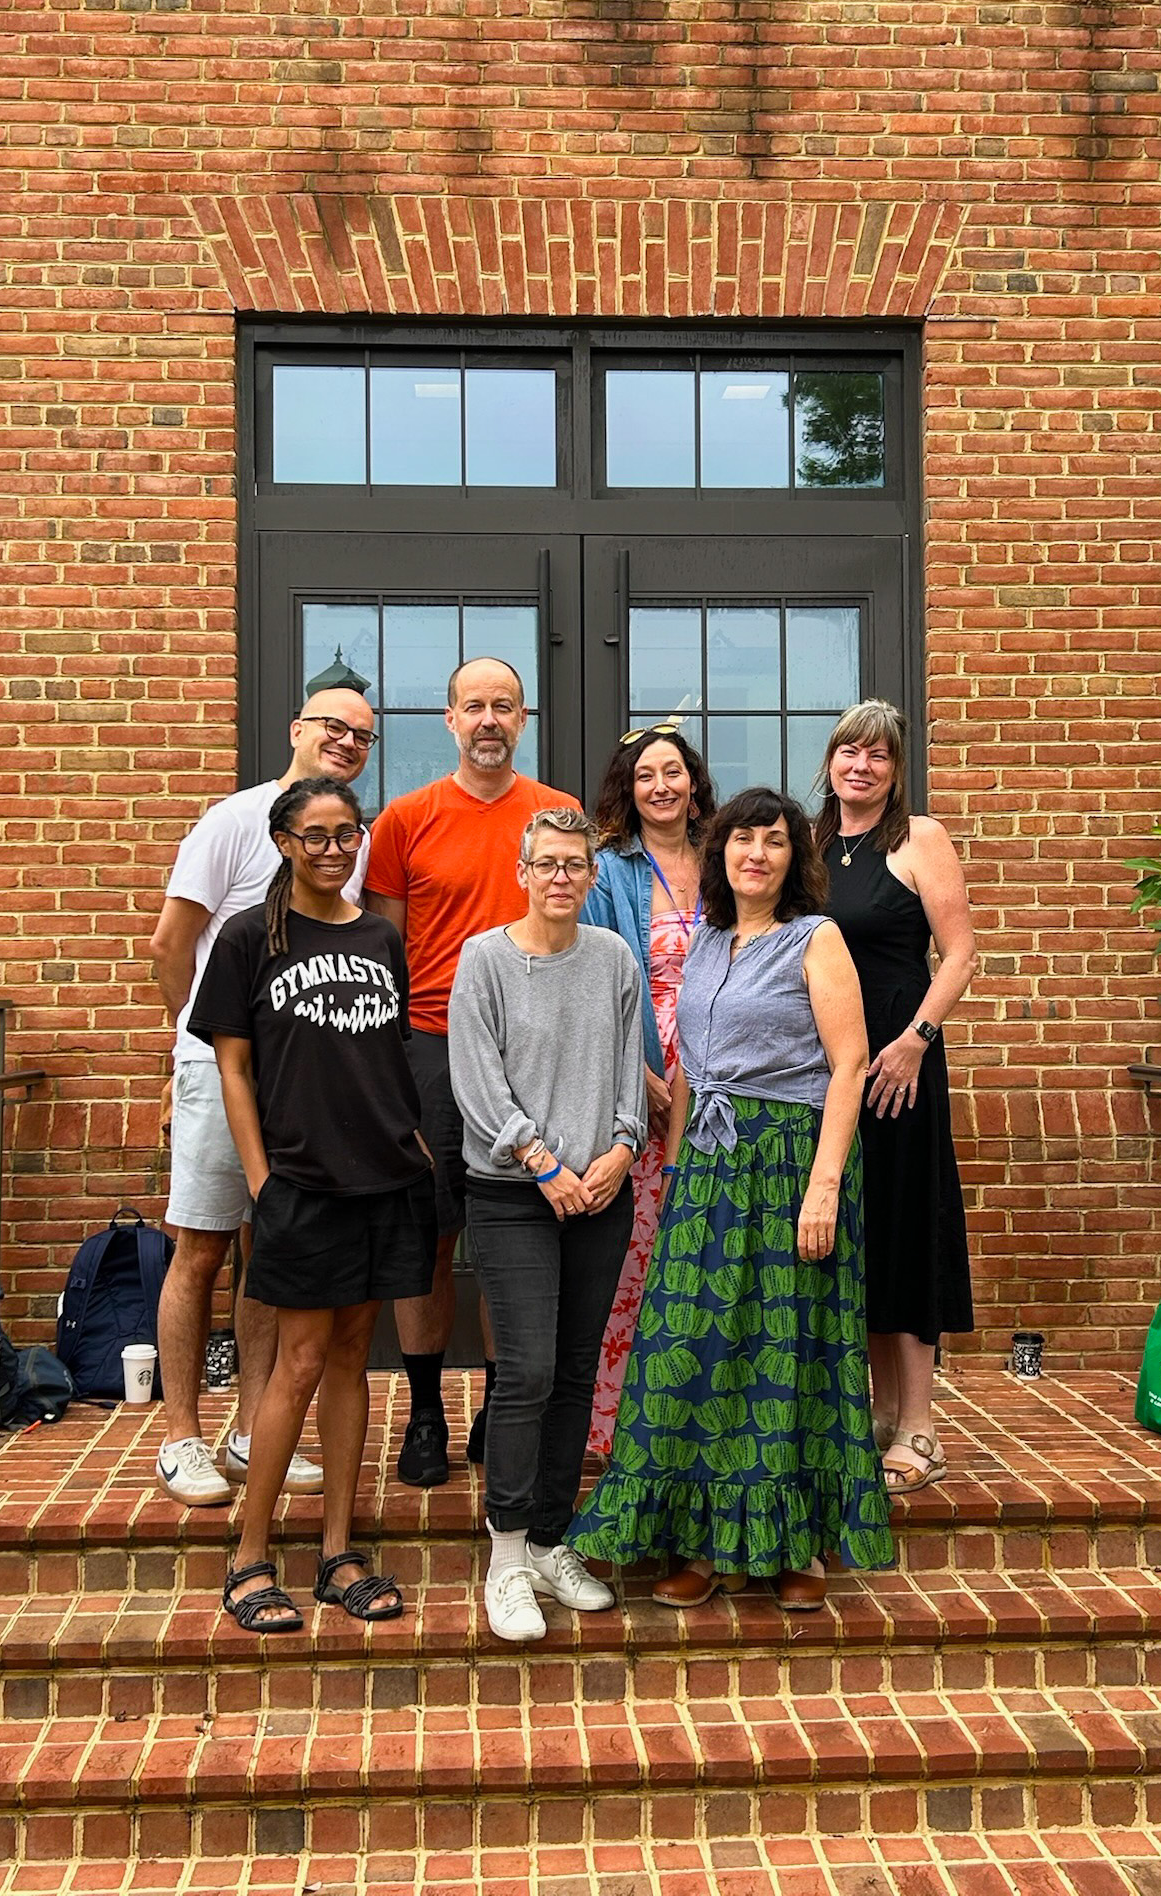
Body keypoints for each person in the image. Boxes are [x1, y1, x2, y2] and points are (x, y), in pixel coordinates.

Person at [567, 788, 893, 1610]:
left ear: (793, 858)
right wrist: (675, 1171)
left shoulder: (815, 938)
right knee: (698, 1346)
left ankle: (794, 1548)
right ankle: (705, 1542)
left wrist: (824, 1188)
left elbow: (849, 1065)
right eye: (742, 839)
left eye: (774, 841)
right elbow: (689, 1065)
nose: (756, 853)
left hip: (789, 1163)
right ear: (721, 853)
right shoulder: (708, 940)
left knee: (788, 1349)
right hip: (709, 1170)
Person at [189, 775, 433, 1632]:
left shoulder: (379, 936)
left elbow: (383, 1055)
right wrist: (262, 1181)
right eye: (317, 835)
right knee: (296, 1362)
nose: (334, 849)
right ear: (285, 842)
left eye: (347, 833)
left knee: (352, 1359)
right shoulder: (248, 937)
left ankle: (337, 1553)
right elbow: (233, 1068)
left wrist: (413, 1144)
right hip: (301, 1182)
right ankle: (250, 1557)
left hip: (385, 1177)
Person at [147, 679, 377, 1506]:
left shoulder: (352, 841)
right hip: (222, 1072)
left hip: (300, 1081)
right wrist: (192, 1049)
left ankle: (250, 1432)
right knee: (201, 1246)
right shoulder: (233, 820)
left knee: (269, 1250)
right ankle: (180, 1436)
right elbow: (171, 944)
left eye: (362, 735)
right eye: (333, 725)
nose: (346, 741)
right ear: (295, 728)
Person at [364, 658, 581, 1488]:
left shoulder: (553, 813)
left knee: (510, 1237)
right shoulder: (405, 820)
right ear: (449, 719)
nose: (489, 719)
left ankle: (499, 1406)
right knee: (427, 1236)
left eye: (505, 706)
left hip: (537, 1050)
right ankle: (425, 1412)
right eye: (474, 706)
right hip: (429, 1045)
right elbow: (383, 953)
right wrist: (389, 1067)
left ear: (524, 720)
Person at [447, 807, 647, 1642]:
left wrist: (624, 1148)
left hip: (599, 1194)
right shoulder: (484, 960)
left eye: (575, 865)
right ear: (522, 873)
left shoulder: (612, 958)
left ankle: (551, 1540)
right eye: (547, 863)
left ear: (592, 877)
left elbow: (632, 1065)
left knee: (573, 1372)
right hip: (511, 1193)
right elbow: (475, 1077)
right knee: (525, 1370)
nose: (561, 877)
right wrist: (540, 1160)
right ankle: (506, 1555)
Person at [813, 700, 978, 1494]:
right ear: (830, 761)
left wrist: (917, 1038)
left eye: (878, 755)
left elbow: (961, 953)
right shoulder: (810, 844)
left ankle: (921, 1428)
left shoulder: (919, 839)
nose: (862, 766)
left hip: (898, 1069)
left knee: (906, 1234)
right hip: (830, 1069)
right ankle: (880, 1415)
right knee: (861, 1234)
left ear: (896, 769)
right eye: (850, 751)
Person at [580, 726, 717, 1453]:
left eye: (672, 772)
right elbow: (592, 979)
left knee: (707, 1248)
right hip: (638, 1074)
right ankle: (618, 1429)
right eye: (645, 776)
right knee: (636, 1257)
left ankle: (700, 1418)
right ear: (628, 792)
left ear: (693, 784)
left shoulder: (725, 858)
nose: (660, 786)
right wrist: (638, 1076)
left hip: (722, 1076)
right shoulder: (609, 870)